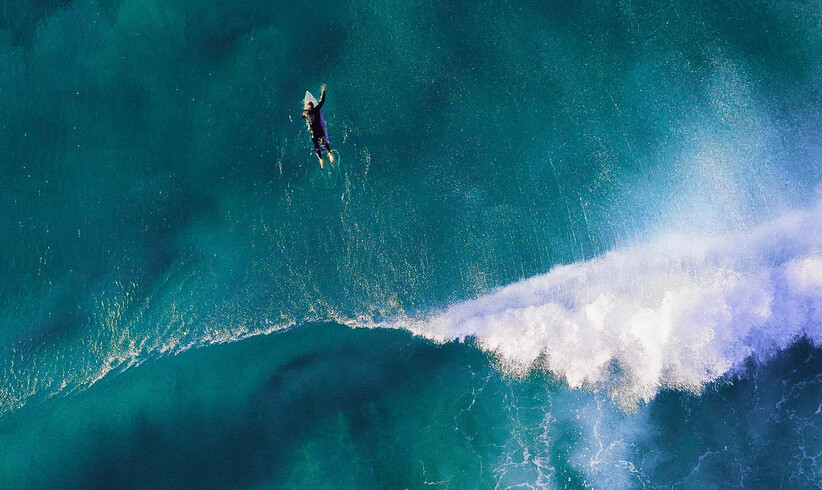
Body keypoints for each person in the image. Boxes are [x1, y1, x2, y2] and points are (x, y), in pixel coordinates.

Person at [302, 84, 335, 168]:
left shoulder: (306, 112)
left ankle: (320, 159)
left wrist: (304, 113)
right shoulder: (317, 109)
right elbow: (322, 101)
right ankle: (329, 153)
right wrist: (323, 91)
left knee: (316, 146)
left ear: (307, 108)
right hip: (319, 129)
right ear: (313, 107)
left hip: (313, 131)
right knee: (324, 141)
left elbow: (302, 116)